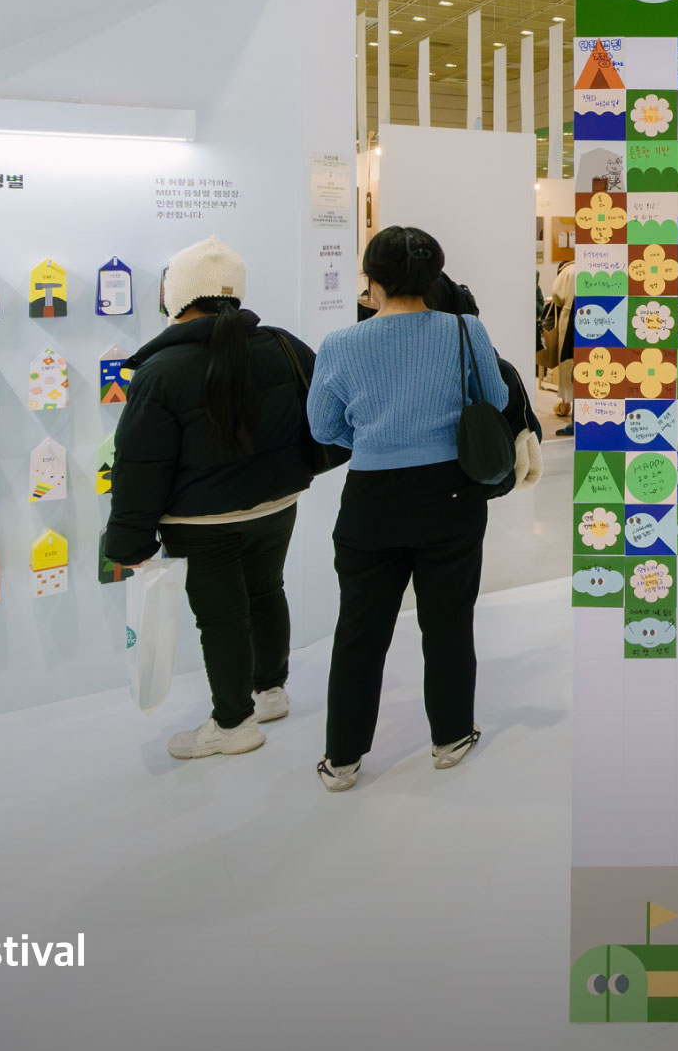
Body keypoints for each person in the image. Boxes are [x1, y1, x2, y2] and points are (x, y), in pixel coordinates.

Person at [102, 238, 338, 761]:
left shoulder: (160, 372)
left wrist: (128, 543)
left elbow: (139, 469)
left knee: (221, 618)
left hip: (201, 523)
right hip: (278, 504)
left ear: (176, 296)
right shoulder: (281, 344)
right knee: (267, 592)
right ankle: (270, 692)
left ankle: (233, 723)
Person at [306, 225, 512, 791]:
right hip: (452, 493)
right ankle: (451, 737)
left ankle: (342, 759)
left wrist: (376, 436)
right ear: (433, 275)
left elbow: (323, 428)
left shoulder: (340, 344)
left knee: (359, 630)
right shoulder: (465, 330)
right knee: (448, 622)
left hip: (371, 498)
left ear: (371, 278)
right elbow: (496, 399)